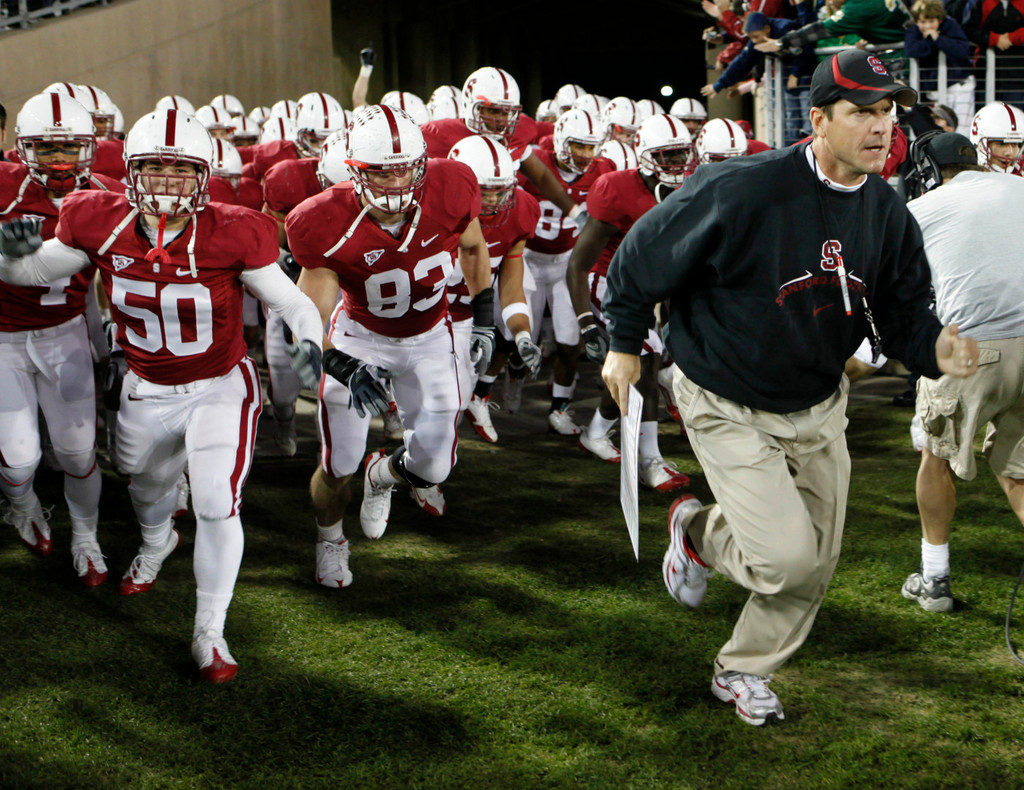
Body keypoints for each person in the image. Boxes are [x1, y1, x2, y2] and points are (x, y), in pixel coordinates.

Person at [600, 50, 980, 726]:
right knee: (784, 561)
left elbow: (902, 316)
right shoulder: (741, 186)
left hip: (818, 402)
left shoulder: (887, 213)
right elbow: (639, 257)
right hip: (725, 394)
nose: (881, 126)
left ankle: (740, 664)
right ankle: (697, 530)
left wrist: (935, 349)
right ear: (819, 119)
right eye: (861, 111)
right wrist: (624, 343)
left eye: (887, 112)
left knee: (816, 563)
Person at [0, 108, 325, 684]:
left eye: (182, 170)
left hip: (219, 384)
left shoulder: (235, 228)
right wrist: (11, 253)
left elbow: (293, 302)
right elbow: (30, 275)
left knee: (215, 502)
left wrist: (309, 343)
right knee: (143, 484)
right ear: (129, 171)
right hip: (145, 386)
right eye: (155, 168)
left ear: (204, 175)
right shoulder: (97, 219)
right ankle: (157, 541)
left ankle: (210, 632)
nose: (168, 182)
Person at [286, 105, 493, 587]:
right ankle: (330, 539)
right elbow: (305, 322)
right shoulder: (321, 219)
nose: (397, 182)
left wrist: (484, 319)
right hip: (359, 338)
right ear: (354, 170)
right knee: (338, 463)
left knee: (435, 465)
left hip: (431, 336)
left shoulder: (452, 185)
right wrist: (342, 366)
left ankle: (382, 475)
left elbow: (473, 246)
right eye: (382, 171)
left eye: (406, 168)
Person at [899, 132, 1024, 612]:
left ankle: (934, 579)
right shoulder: (1017, 188)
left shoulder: (922, 208)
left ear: (930, 170)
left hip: (974, 349)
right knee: (1018, 470)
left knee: (936, 457)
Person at [0, 92, 120, 584]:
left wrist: (114, 336)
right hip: (3, 339)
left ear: (89, 146)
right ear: (22, 148)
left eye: (69, 147)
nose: (59, 160)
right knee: (18, 461)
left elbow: (124, 270)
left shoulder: (107, 195)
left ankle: (86, 536)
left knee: (78, 452)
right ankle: (23, 504)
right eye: (46, 148)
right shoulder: (3, 185)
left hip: (65, 331)